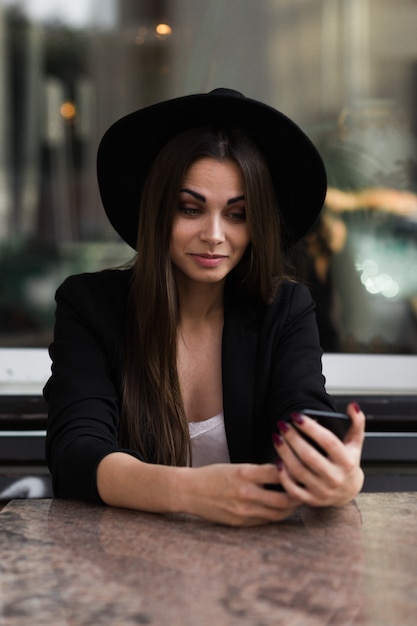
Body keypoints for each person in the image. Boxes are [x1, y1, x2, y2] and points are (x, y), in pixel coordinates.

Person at [44, 88, 365, 527]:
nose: (214, 235)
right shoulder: (91, 305)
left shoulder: (285, 308)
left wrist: (338, 477)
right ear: (157, 211)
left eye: (237, 214)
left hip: (256, 574)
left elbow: (301, 415)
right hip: (125, 570)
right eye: (190, 208)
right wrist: (194, 491)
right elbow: (76, 453)